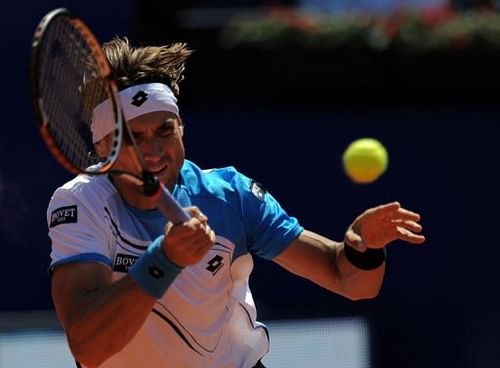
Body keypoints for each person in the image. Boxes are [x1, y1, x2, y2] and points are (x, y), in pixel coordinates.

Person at [48, 37, 426, 368]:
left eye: (165, 130)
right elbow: (90, 348)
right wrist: (164, 261)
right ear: (103, 147)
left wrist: (364, 248)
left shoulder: (229, 193)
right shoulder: (81, 202)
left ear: (181, 128)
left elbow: (349, 281)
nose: (153, 150)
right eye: (133, 138)